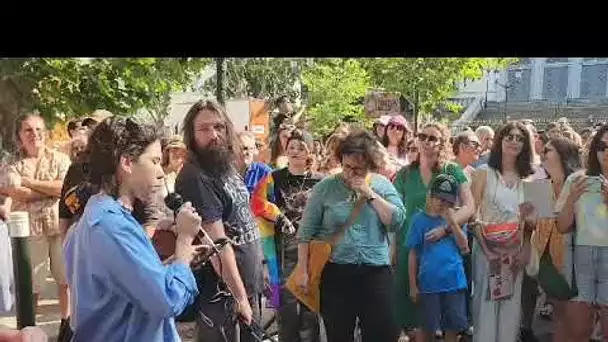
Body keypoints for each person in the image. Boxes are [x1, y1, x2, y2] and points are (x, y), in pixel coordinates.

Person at [63, 117, 202, 341]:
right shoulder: (112, 226)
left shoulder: (93, 218)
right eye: (155, 161)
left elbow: (121, 288)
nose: (161, 172)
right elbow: (167, 301)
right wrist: (184, 243)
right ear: (127, 163)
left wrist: (173, 264)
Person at [297, 129, 406, 342]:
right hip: (337, 272)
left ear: (370, 166)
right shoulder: (326, 188)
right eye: (347, 166)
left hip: (375, 272)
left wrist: (370, 194)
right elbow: (305, 233)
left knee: (381, 333)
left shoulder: (381, 185)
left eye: (358, 169)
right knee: (339, 334)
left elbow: (397, 220)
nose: (351, 173)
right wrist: (302, 270)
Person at [176, 100, 263, 342]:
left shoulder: (224, 164)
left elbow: (243, 219)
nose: (213, 135)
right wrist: (240, 298)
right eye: (204, 129)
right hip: (221, 295)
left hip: (246, 284)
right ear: (191, 135)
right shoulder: (195, 177)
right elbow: (217, 245)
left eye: (219, 127)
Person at [393, 122, 475, 342]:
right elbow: (396, 213)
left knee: (448, 317)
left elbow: (469, 207)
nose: (427, 141)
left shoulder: (452, 171)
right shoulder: (405, 174)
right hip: (412, 248)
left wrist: (445, 228)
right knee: (414, 313)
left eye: (433, 138)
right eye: (423, 136)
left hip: (444, 252)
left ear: (442, 143)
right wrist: (391, 251)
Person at [251, 129, 323, 342]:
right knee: (286, 312)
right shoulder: (273, 177)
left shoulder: (321, 181)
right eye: (291, 147)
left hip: (313, 252)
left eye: (301, 148)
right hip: (282, 253)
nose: (295, 151)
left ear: (310, 151)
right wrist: (278, 216)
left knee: (310, 314)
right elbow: (256, 203)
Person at [2, 113, 71, 332]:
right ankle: (30, 327)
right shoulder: (11, 162)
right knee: (31, 283)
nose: (35, 135)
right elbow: (14, 191)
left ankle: (65, 325)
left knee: (65, 278)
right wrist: (48, 191)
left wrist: (29, 182)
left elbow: (63, 188)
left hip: (59, 226)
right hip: (30, 230)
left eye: (39, 129)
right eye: (28, 130)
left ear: (46, 133)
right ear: (20, 136)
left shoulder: (60, 159)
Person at [470, 121, 536, 342]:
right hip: (486, 251)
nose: (514, 142)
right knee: (485, 309)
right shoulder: (483, 173)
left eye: (520, 138)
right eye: (510, 137)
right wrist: (488, 251)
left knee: (510, 311)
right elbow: (472, 215)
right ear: (500, 140)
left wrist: (525, 248)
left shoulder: (531, 179)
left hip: (514, 254)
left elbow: (534, 223)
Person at [555, 123, 608, 341]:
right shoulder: (577, 180)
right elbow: (561, 226)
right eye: (602, 145)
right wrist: (571, 200)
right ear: (595, 148)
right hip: (581, 256)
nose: (606, 152)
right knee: (578, 331)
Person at [528, 137, 582, 342]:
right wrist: (528, 218)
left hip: (574, 262)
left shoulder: (579, 182)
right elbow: (535, 226)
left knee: (576, 322)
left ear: (562, 154)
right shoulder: (540, 186)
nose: (542, 153)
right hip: (546, 263)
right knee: (560, 317)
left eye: (548, 150)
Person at [408, 174, 469, 342]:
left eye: (448, 200)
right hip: (429, 285)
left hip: (454, 283)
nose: (443, 203)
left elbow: (464, 248)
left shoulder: (456, 220)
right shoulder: (419, 220)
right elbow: (413, 254)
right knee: (426, 327)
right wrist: (413, 286)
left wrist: (451, 222)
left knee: (452, 328)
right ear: (431, 195)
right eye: (439, 198)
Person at [238, 131, 272, 196]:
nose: (247, 153)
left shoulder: (264, 172)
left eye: (250, 149)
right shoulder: (228, 173)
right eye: (244, 148)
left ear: (254, 150)